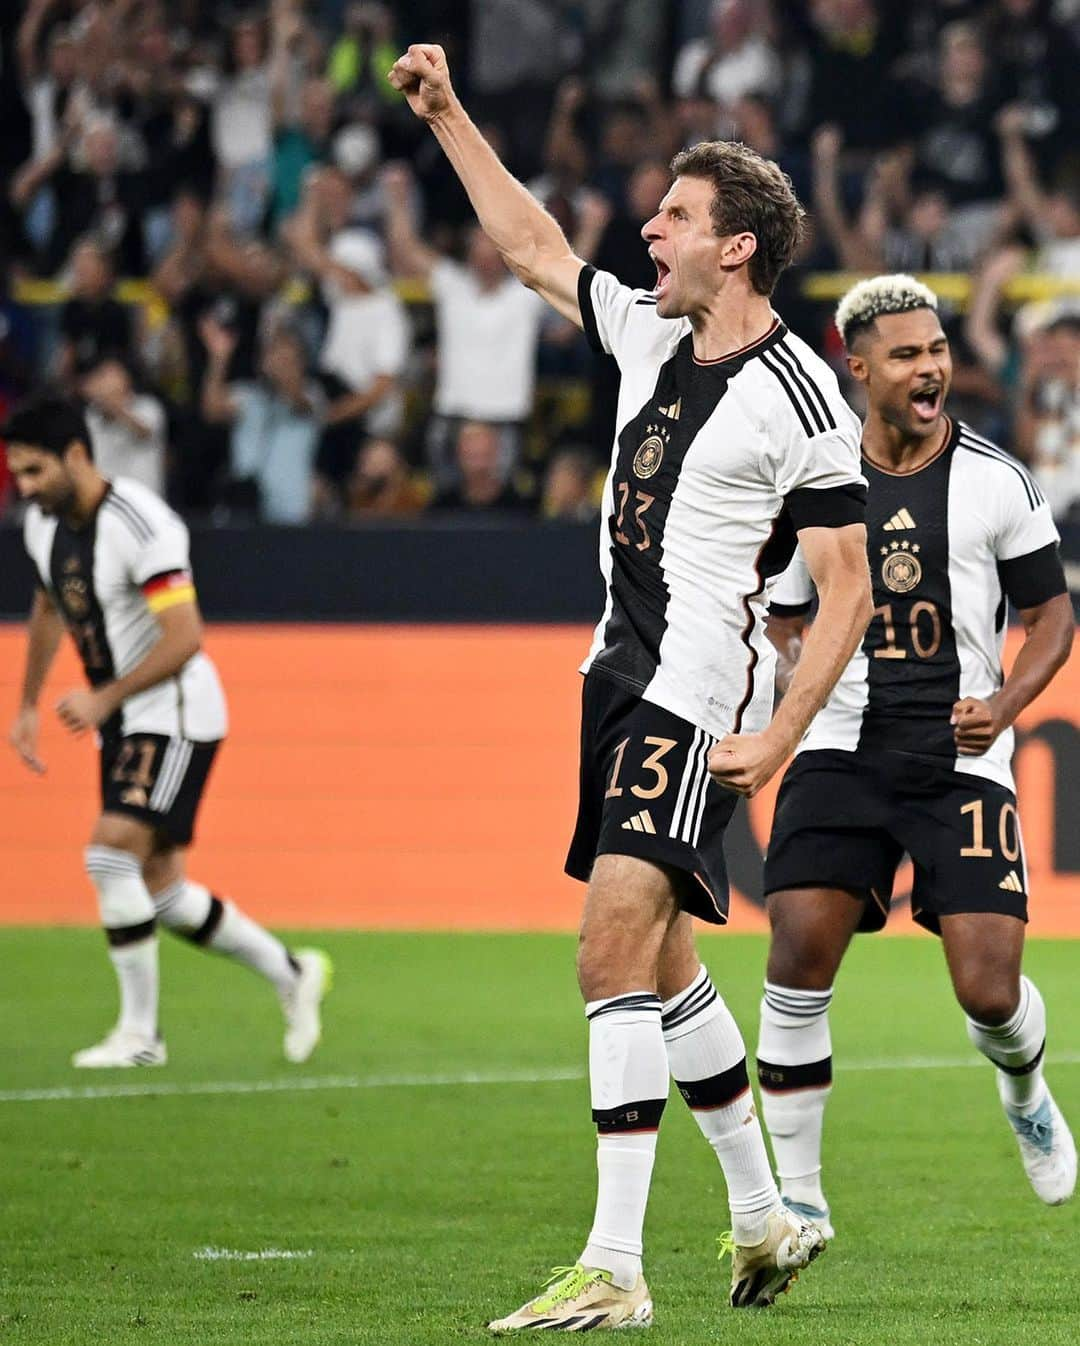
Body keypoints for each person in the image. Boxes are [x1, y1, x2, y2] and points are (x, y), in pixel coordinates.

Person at [388, 42, 872, 1329]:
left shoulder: (804, 395)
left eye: (675, 215)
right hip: (617, 673)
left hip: (698, 687)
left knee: (607, 946)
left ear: (739, 249)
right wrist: (448, 120)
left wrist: (777, 730)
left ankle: (615, 1263)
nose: (647, 227)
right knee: (659, 961)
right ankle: (764, 1214)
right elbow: (538, 249)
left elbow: (848, 587)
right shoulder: (653, 336)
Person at [760, 275, 1076, 1240]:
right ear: (858, 368)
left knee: (987, 991)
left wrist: (1006, 706)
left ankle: (1024, 1086)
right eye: (906, 354)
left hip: (960, 760)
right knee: (798, 955)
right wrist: (799, 679)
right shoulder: (811, 483)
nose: (931, 367)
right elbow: (778, 616)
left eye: (936, 349)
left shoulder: (995, 479)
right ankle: (801, 1200)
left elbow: (1052, 618)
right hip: (837, 751)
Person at [5, 397, 331, 1069]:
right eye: (18, 476)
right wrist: (29, 702)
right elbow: (47, 604)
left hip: (174, 711)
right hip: (124, 718)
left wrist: (103, 698)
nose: (27, 489)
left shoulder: (141, 523)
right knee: (162, 892)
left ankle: (140, 1037)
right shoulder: (44, 527)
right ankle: (291, 972)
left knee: (107, 856)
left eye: (35, 472)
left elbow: (184, 636)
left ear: (76, 455)